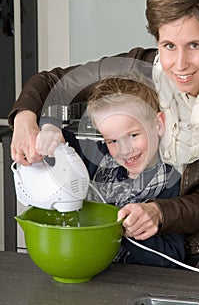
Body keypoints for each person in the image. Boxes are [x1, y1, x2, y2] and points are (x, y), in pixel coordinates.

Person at [8, 0, 199, 261]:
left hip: (189, 257)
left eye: (194, 46)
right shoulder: (135, 68)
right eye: (168, 46)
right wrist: (26, 120)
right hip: (121, 253)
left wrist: (159, 213)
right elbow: (53, 81)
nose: (179, 65)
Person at [37, 74, 184, 267]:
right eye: (113, 140)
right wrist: (49, 128)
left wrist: (125, 231)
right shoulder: (97, 158)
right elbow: (57, 139)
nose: (124, 150)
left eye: (133, 135)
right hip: (88, 270)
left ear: (158, 125)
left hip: (133, 283)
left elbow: (174, 258)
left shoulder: (171, 182)